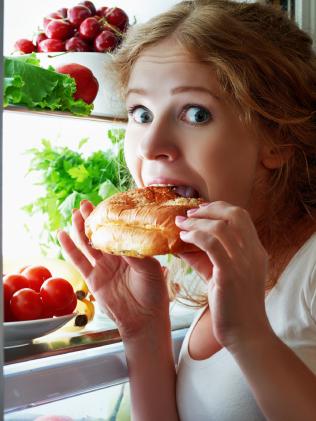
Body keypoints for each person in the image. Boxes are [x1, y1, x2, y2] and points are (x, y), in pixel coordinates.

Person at [58, 1, 316, 419]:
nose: (150, 143)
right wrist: (143, 329)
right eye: (140, 113)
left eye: (196, 114)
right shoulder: (220, 266)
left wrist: (249, 334)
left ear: (278, 138)